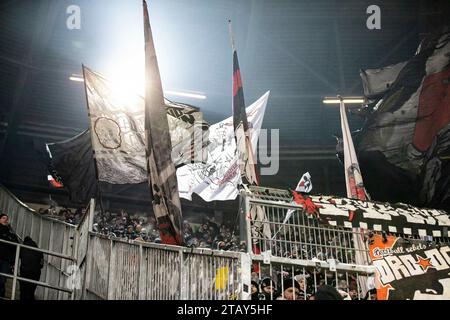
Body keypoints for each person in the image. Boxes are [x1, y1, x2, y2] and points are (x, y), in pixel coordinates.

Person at [0, 213, 19, 298]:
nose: (5, 220)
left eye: (6, 219)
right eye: (3, 218)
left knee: (2, 280)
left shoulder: (10, 232)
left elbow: (16, 243)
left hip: (6, 260)